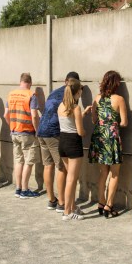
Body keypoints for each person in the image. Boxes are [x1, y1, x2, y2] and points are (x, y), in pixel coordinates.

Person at [37, 71, 80, 212]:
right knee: (61, 167)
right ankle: (62, 203)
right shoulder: (69, 95)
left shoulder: (54, 92)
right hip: (53, 133)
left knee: (47, 165)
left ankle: (51, 199)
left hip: (41, 131)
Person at [88, 71, 128, 218]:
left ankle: (101, 202)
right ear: (117, 83)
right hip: (111, 138)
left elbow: (93, 120)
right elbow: (124, 122)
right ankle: (108, 206)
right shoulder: (119, 99)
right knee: (115, 174)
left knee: (103, 173)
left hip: (99, 137)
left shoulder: (97, 98)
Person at [57, 79, 91, 220]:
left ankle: (71, 207)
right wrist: (85, 132)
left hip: (63, 142)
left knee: (71, 177)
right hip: (73, 144)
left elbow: (69, 121)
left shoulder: (61, 105)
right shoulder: (76, 108)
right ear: (78, 92)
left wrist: (82, 115)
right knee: (71, 179)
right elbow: (80, 131)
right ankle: (67, 212)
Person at [4, 73, 41, 199]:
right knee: (29, 162)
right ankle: (25, 190)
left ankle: (18, 188)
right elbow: (34, 115)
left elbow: (5, 115)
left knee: (18, 161)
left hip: (14, 132)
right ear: (30, 82)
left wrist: (11, 126)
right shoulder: (31, 95)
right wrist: (37, 131)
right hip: (27, 132)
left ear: (20, 81)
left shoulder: (11, 94)